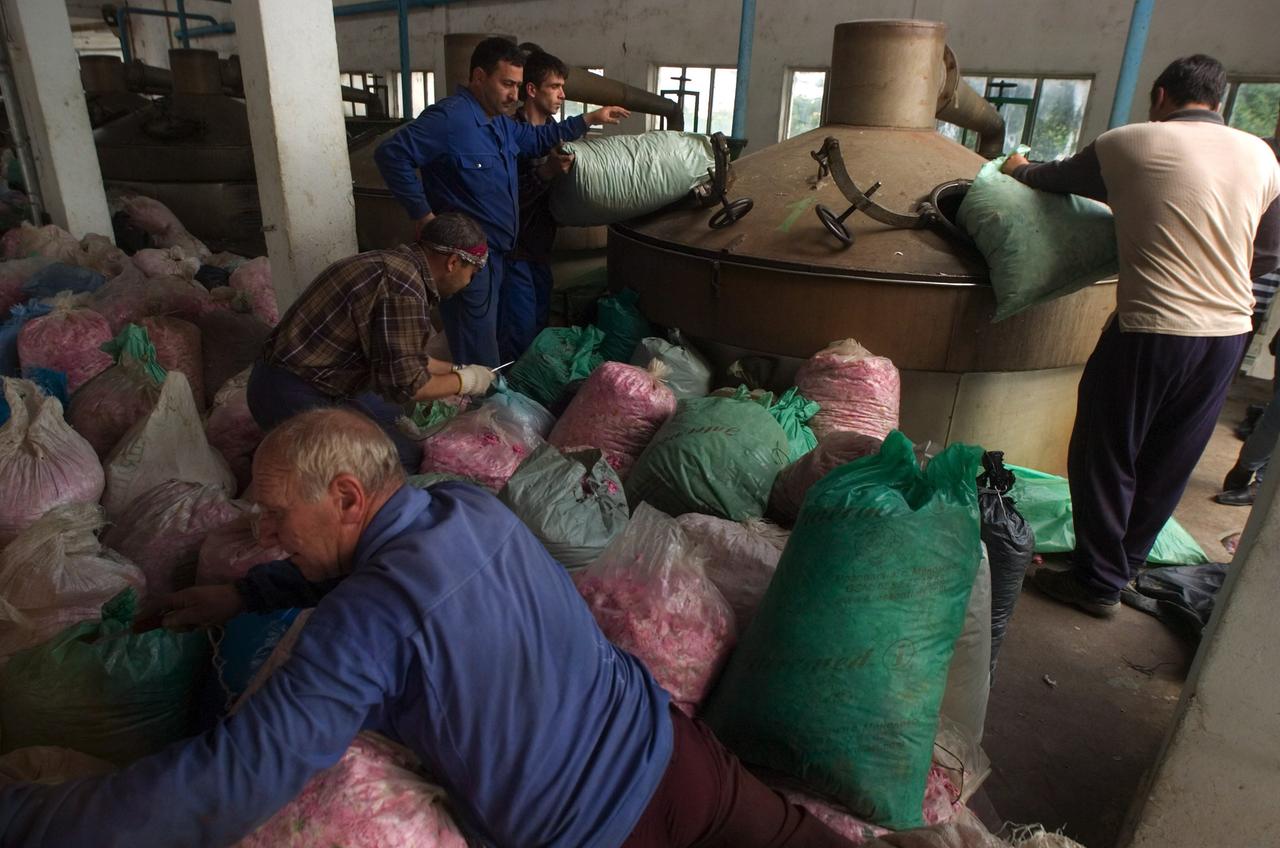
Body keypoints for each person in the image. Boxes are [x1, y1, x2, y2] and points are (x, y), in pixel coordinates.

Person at [0, 408, 855, 848]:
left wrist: (25, 821)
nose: (262, 535)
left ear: (343, 497)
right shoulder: (463, 503)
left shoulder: (360, 627)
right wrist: (250, 596)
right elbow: (361, 570)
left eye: (272, 515)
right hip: (677, 753)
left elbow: (226, 782)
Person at [1001, 54, 1280, 617]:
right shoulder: (1262, 155)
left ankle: (1095, 582)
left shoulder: (1128, 142)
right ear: (1220, 101)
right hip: (1228, 332)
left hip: (1150, 327)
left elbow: (1047, 179)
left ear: (1159, 97)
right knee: (1170, 457)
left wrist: (1014, 165)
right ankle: (1121, 568)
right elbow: (1269, 251)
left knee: (1105, 451)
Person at [374, 37, 629, 367]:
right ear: (479, 77)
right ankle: (485, 410)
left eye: (518, 85)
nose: (514, 95)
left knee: (490, 337)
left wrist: (588, 119)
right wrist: (423, 216)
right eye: (507, 84)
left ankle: (487, 400)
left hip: (498, 255)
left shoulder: (500, 123)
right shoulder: (451, 119)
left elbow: (536, 138)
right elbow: (392, 154)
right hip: (465, 258)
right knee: (479, 348)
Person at [246, 212, 495, 473]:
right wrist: (468, 382)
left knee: (391, 415)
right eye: (472, 274)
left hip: (292, 378)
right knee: (399, 459)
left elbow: (407, 359)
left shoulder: (396, 264)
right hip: (289, 392)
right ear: (453, 262)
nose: (468, 284)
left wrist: (456, 370)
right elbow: (408, 385)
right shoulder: (404, 291)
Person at [504, 49, 577, 360]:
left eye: (563, 87)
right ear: (531, 90)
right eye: (554, 87)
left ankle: (531, 396)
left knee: (539, 325)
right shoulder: (507, 133)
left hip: (541, 249)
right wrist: (545, 171)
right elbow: (505, 198)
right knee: (517, 331)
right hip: (514, 250)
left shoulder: (557, 138)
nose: (562, 95)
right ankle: (507, 399)